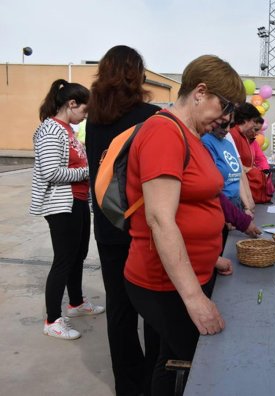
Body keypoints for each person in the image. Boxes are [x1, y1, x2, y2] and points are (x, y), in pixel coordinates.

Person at [123, 54, 245, 395]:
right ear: (200, 92)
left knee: (171, 359)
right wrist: (194, 299)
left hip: (190, 273)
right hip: (164, 284)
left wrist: (209, 258)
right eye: (225, 106)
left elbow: (196, 201)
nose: (225, 118)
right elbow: (161, 219)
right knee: (196, 365)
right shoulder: (164, 132)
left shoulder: (190, 134)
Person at [85, 45, 160, 396]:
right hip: (144, 226)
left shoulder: (95, 120)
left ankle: (128, 387)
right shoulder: (152, 116)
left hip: (107, 224)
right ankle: (154, 380)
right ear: (137, 74)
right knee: (155, 307)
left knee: (120, 309)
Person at [30, 79, 105, 341]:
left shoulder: (67, 130)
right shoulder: (51, 130)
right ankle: (52, 319)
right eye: (84, 111)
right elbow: (51, 172)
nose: (85, 117)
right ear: (71, 104)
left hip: (78, 200)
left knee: (78, 254)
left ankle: (76, 303)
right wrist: (89, 171)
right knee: (64, 259)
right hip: (62, 204)